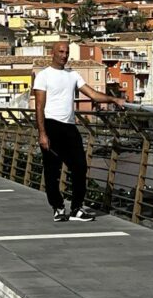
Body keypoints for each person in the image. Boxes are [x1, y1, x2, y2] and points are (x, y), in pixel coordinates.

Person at [33, 41, 125, 222]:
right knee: (52, 170)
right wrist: (42, 133)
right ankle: (58, 207)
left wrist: (114, 100)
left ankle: (76, 209)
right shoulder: (43, 76)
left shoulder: (73, 75)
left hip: (69, 126)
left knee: (80, 166)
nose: (64, 55)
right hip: (51, 125)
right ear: (52, 53)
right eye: (60, 51)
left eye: (66, 52)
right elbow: (38, 106)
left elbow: (93, 94)